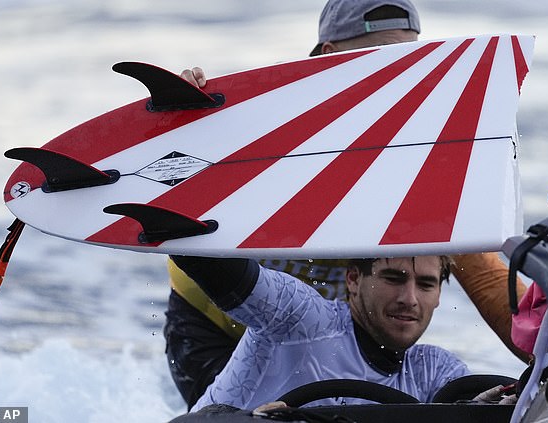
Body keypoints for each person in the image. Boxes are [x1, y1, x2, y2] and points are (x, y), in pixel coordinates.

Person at [164, 0, 529, 410]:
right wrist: (185, 129)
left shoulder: (419, 166)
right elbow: (174, 186)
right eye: (383, 58)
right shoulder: (269, 131)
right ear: (328, 57)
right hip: (214, 322)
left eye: (412, 61)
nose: (401, 78)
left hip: (321, 342)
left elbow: (493, 288)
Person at [171, 254, 469, 411]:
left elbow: (483, 405)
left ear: (440, 294)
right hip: (201, 327)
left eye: (426, 284)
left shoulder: (435, 369)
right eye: (393, 278)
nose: (410, 298)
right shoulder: (300, 315)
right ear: (353, 279)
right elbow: (213, 267)